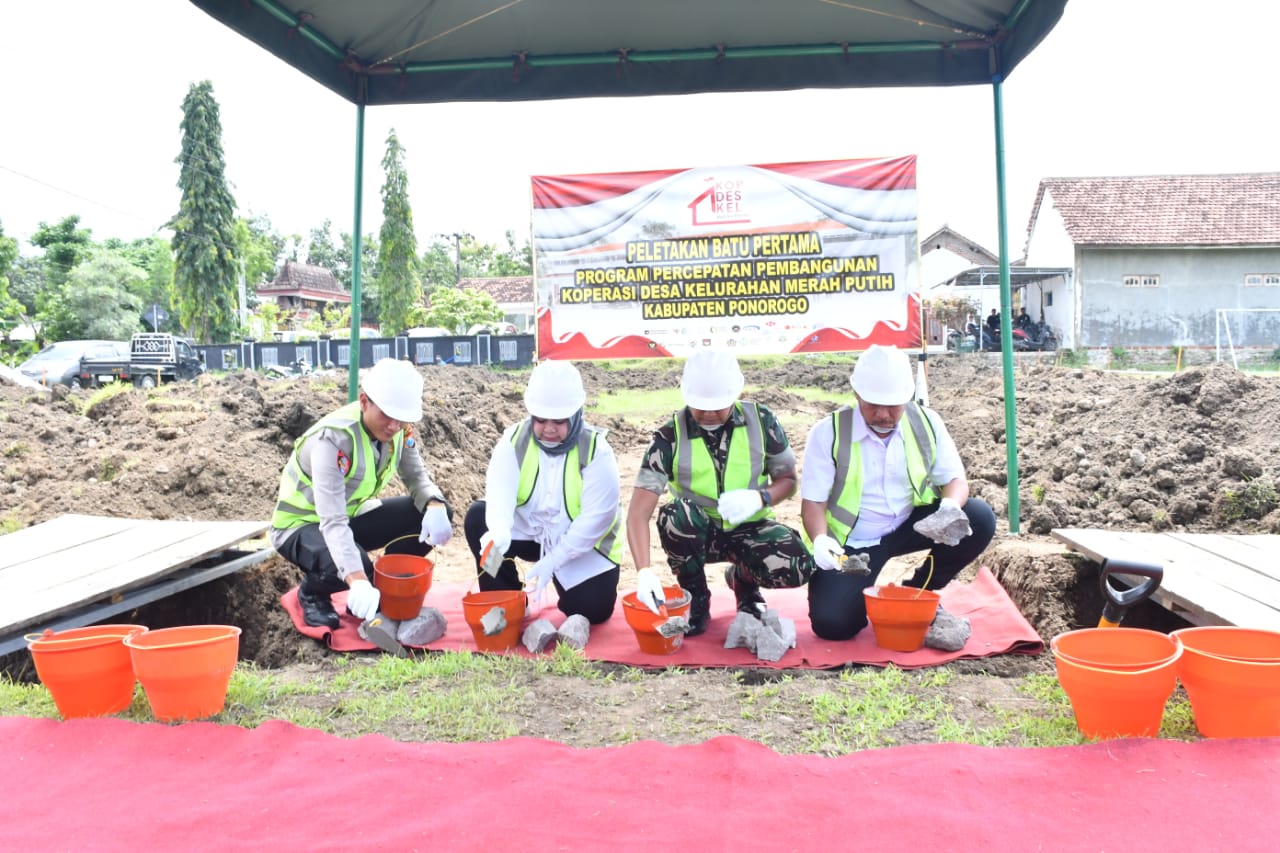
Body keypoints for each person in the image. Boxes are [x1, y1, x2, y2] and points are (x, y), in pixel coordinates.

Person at [800, 345, 996, 641]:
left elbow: (955, 479)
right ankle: (855, 598)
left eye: (892, 405)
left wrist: (950, 507)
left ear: (907, 397)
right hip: (854, 543)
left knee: (978, 518)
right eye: (872, 405)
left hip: (909, 526)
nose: (882, 415)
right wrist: (821, 540)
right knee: (833, 624)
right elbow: (813, 502)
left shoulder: (926, 423)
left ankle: (917, 592)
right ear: (856, 395)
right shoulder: (828, 433)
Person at [626, 349, 814, 635]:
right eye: (701, 406)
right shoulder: (669, 436)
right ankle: (697, 597)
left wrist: (759, 498)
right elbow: (638, 513)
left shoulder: (762, 421)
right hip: (698, 535)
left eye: (719, 405)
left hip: (751, 526)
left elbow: (787, 480)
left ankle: (744, 583)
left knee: (796, 564)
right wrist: (644, 572)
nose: (710, 413)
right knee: (676, 515)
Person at [272, 357, 453, 630]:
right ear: (364, 401)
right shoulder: (332, 440)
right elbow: (331, 520)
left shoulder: (400, 431)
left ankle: (385, 583)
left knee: (430, 511)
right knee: (358, 568)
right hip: (301, 526)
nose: (393, 425)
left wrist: (435, 505)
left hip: (350, 516)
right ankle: (312, 593)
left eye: (401, 418)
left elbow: (417, 478)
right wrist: (357, 579)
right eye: (386, 415)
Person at [464, 360, 623, 625]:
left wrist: (555, 560)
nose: (548, 429)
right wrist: (500, 531)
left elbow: (596, 519)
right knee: (479, 520)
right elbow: (499, 492)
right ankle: (507, 598)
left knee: (592, 610)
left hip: (578, 544)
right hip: (530, 533)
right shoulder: (514, 441)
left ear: (576, 414)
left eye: (559, 421)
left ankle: (568, 586)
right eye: (540, 420)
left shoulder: (598, 452)